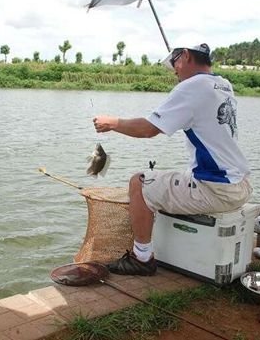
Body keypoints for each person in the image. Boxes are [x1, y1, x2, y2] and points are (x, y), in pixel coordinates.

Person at [93, 44, 252, 276]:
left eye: (175, 63)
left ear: (186, 56)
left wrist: (112, 123)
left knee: (139, 183)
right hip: (242, 185)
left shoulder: (192, 87)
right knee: (175, 176)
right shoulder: (223, 84)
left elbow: (149, 129)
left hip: (216, 190)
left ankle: (142, 257)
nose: (174, 71)